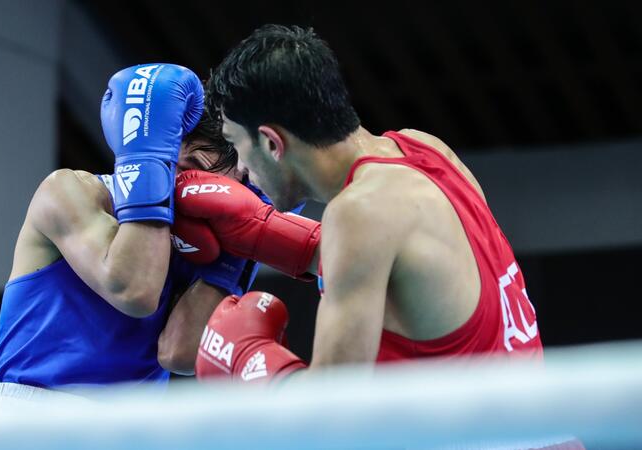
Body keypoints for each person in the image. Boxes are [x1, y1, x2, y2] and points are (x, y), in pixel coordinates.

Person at [174, 25, 545, 382]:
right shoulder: (424, 149)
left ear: (272, 143)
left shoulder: (356, 215)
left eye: (236, 144)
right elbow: (412, 267)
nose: (239, 167)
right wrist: (258, 231)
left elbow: (334, 413)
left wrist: (248, 359)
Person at [0, 64, 260, 409]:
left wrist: (239, 245)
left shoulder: (205, 239)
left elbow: (181, 354)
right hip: (35, 415)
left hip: (132, 425)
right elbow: (134, 289)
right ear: (164, 144)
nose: (200, 191)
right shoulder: (69, 192)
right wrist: (148, 169)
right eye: (191, 169)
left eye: (219, 187)